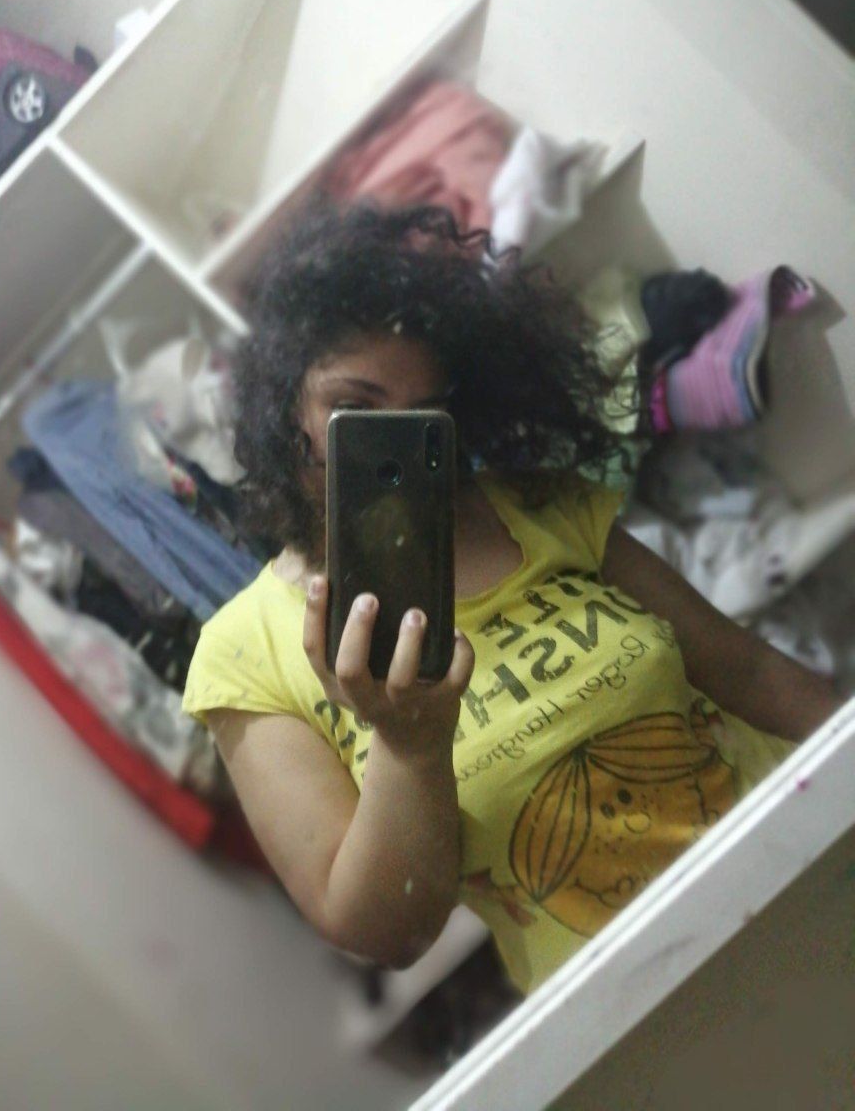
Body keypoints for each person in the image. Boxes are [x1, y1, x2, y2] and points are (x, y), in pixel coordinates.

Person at [182, 203, 840, 995]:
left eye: (425, 414)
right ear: (285, 407)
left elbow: (749, 673)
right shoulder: (247, 650)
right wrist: (409, 745)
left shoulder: (538, 504)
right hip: (645, 996)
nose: (396, 441)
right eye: (355, 409)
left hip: (808, 858)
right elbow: (386, 931)